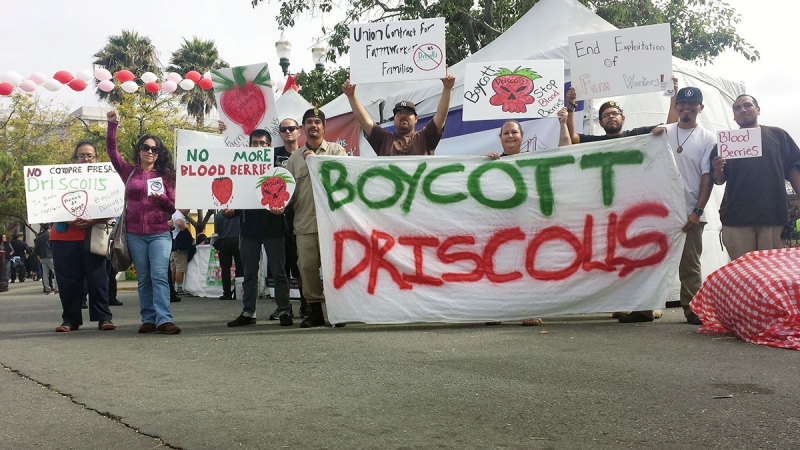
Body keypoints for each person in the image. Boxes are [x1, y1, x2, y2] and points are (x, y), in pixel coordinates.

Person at [619, 87, 716, 325]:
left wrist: (698, 211)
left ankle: (692, 309)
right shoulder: (661, 132)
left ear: (701, 107)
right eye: (682, 103)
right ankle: (644, 308)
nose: (687, 107)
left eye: (693, 104)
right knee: (648, 260)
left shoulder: (708, 138)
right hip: (659, 210)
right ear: (676, 106)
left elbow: (707, 178)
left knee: (690, 265)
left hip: (690, 211)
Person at [106, 110, 180, 334]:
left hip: (159, 233)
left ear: (158, 154)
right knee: (144, 278)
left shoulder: (165, 177)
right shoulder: (129, 172)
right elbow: (112, 152)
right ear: (139, 151)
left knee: (159, 276)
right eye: (146, 147)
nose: (150, 151)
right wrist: (112, 125)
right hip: (135, 234)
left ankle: (164, 319)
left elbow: (173, 208)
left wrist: (162, 198)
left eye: (154, 149)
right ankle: (148, 319)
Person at [711, 94, 800, 260]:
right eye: (737, 108)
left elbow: (793, 168)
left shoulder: (778, 135)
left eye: (747, 105)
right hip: (736, 218)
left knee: (770, 270)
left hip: (772, 216)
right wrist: (717, 169)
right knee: (742, 271)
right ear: (733, 115)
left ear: (758, 109)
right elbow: (719, 179)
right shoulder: (725, 143)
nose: (743, 110)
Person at [284, 108, 348, 327]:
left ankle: (339, 312)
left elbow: (342, 180)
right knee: (307, 268)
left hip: (333, 223)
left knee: (335, 268)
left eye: (317, 122)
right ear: (303, 128)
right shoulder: (294, 158)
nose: (313, 125)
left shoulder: (337, 151)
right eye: (309, 122)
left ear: (324, 127)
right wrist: (278, 204)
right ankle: (315, 311)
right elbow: (288, 192)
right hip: (305, 223)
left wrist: (316, 162)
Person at [226, 129, 293, 328]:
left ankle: (284, 310)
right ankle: (248, 312)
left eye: (262, 143)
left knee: (279, 272)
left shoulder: (277, 170)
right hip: (249, 230)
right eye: (254, 143)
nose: (258, 146)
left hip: (274, 228)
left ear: (269, 146)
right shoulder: (240, 170)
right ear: (249, 146)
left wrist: (283, 207)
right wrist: (230, 211)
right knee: (249, 273)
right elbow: (235, 200)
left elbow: (289, 195)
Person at [50, 141, 115, 332]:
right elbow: (48, 205)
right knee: (67, 281)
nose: (86, 159)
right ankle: (70, 319)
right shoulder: (59, 179)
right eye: (81, 155)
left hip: (93, 236)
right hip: (63, 238)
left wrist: (92, 220)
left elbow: (114, 207)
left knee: (98, 279)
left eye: (90, 155)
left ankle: (104, 318)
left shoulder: (106, 180)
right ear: (74, 159)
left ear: (96, 159)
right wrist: (68, 219)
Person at [342, 71, 456, 156]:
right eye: (399, 113)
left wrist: (447, 88)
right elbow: (365, 122)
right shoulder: (383, 140)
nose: (404, 115)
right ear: (394, 119)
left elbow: (440, 117)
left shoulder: (426, 137)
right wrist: (351, 96)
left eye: (408, 112)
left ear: (416, 119)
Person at [268, 118, 310, 319]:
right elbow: (246, 159)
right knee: (280, 267)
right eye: (284, 129)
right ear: (280, 133)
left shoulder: (306, 154)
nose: (288, 132)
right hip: (275, 219)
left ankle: (306, 304)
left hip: (299, 216)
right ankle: (283, 307)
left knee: (300, 265)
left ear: (299, 131)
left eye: (291, 128)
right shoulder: (271, 155)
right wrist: (228, 132)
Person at [565, 81, 678, 144]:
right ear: (600, 123)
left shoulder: (638, 135)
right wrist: (571, 106)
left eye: (615, 113)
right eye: (606, 115)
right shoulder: (596, 142)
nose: (611, 116)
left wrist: (674, 94)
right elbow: (571, 138)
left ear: (623, 118)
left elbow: (671, 127)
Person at [214, 208, 242, 300]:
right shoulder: (238, 213)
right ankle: (238, 292)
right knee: (240, 267)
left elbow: (217, 232)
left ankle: (227, 293)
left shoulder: (219, 215)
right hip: (238, 241)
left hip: (224, 242)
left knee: (225, 269)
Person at [171, 216, 193, 297]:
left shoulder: (172, 215)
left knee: (173, 269)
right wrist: (185, 230)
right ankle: (179, 288)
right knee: (180, 268)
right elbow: (179, 222)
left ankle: (172, 287)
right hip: (180, 249)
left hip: (173, 248)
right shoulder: (178, 216)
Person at [35, 224, 57, 295]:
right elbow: (53, 245)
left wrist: (38, 255)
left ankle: (47, 288)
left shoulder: (39, 237)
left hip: (42, 257)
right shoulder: (50, 235)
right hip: (50, 256)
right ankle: (57, 287)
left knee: (45, 273)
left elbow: (36, 248)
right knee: (55, 272)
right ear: (49, 228)